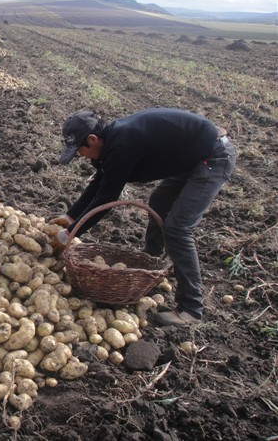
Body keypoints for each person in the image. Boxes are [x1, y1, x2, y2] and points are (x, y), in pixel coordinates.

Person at [51, 108, 236, 326]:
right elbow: (99, 184)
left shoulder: (121, 145)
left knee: (178, 229)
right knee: (158, 203)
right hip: (193, 156)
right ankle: (151, 265)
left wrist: (69, 235)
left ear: (92, 139)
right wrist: (70, 216)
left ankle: (191, 309)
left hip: (212, 157)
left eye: (79, 150)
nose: (80, 156)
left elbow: (105, 200)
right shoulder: (111, 141)